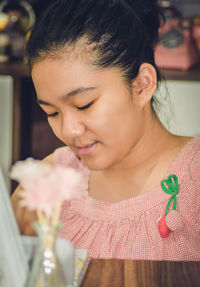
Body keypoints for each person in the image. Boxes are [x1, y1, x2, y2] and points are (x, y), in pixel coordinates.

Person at [12, 0, 200, 260]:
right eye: (52, 113)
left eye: (84, 105)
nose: (68, 131)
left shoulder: (194, 179)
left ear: (143, 85)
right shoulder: (46, 185)